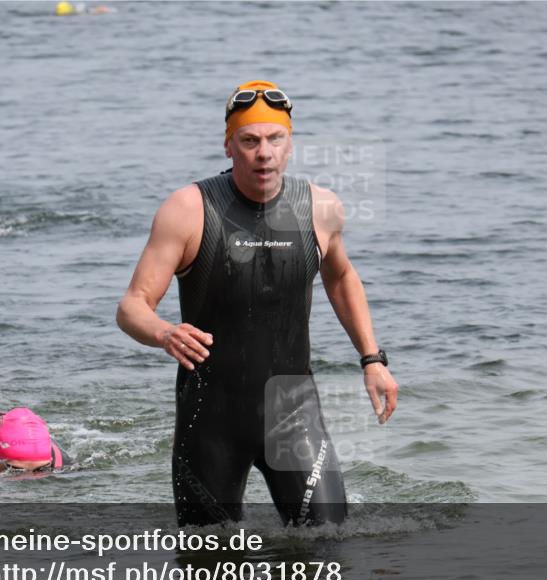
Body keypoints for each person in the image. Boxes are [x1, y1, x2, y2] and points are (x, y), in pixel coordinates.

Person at [117, 80, 399, 527]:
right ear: (229, 146)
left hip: (292, 411)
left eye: (274, 139)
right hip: (210, 420)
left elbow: (341, 276)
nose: (263, 152)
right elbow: (132, 305)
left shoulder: (320, 209)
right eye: (249, 141)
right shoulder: (188, 209)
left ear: (290, 146)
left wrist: (372, 359)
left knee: (329, 544)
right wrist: (164, 332)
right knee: (208, 564)